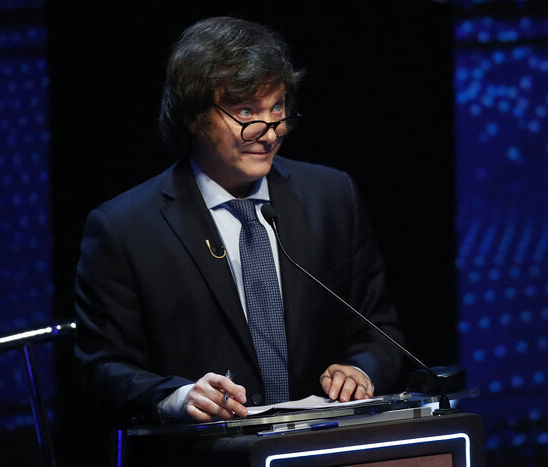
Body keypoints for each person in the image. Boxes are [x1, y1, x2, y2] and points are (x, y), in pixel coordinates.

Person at [74, 16, 403, 426]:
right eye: (246, 111)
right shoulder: (124, 229)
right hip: (205, 449)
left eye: (277, 107)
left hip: (323, 443)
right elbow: (101, 369)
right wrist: (177, 397)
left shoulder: (333, 197)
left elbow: (378, 330)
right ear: (194, 117)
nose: (270, 132)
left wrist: (361, 370)